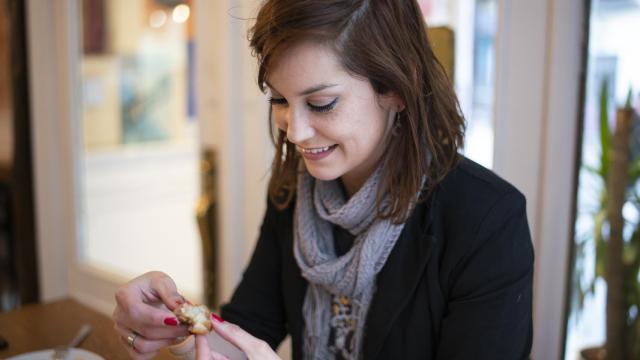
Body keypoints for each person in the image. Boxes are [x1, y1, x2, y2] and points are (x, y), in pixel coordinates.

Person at [111, 0, 534, 359]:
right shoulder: (296, 192)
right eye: (279, 99)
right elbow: (249, 328)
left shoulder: (487, 222)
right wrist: (182, 330)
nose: (294, 132)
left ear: (397, 87)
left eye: (321, 103)